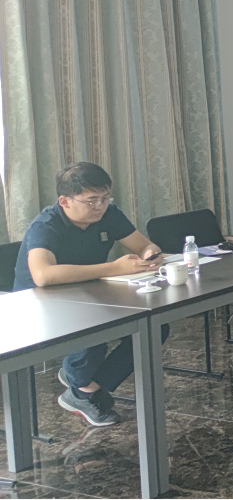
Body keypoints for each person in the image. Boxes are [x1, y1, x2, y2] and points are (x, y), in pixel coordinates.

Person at [14, 162, 169, 427]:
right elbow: (43, 275)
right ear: (65, 201)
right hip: (40, 303)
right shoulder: (46, 225)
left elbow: (144, 245)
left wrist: (150, 255)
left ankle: (85, 388)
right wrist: (113, 268)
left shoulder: (109, 214)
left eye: (105, 198)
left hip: (89, 292)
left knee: (155, 326)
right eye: (91, 200)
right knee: (94, 331)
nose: (100, 206)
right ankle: (81, 385)